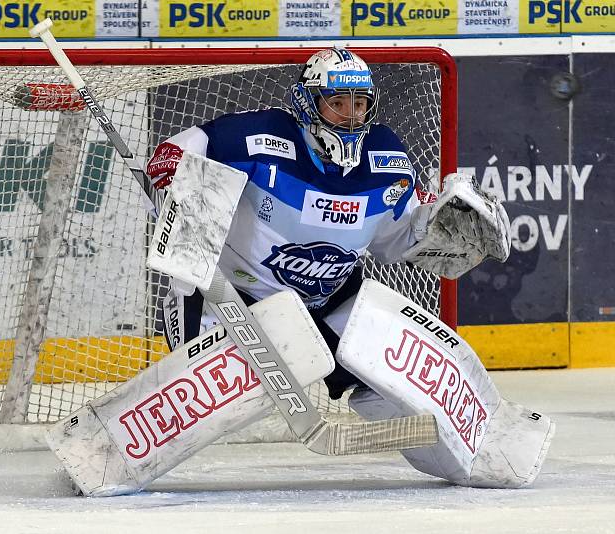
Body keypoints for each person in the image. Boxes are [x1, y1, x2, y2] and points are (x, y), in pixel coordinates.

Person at [147, 47, 434, 400]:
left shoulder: (387, 158)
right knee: (196, 397)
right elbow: (192, 146)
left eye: (359, 105)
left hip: (327, 302)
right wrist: (173, 158)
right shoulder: (262, 136)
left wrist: (435, 231)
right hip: (233, 299)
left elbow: (399, 241)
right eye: (338, 103)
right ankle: (190, 318)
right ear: (307, 102)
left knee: (398, 386)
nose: (350, 117)